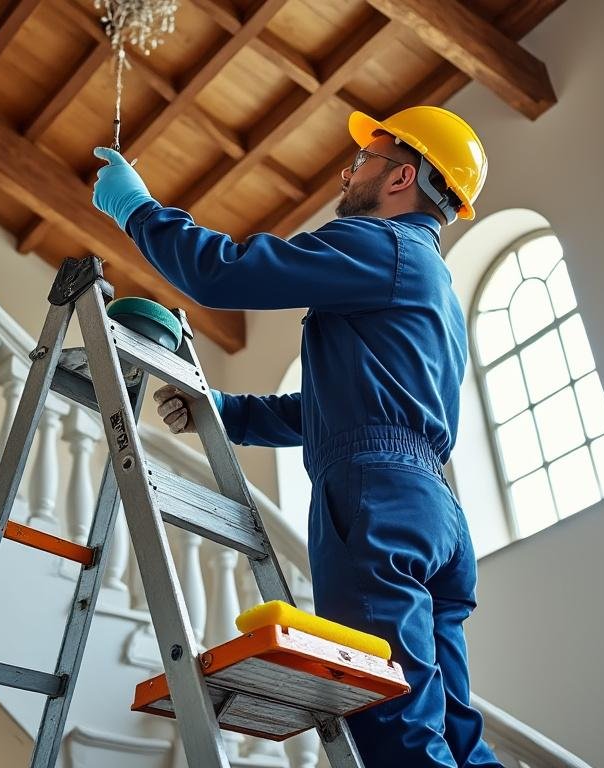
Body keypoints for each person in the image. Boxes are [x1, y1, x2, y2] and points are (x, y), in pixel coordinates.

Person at [90, 106, 498, 768]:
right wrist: (228, 411)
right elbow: (342, 407)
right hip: (435, 513)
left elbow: (221, 273)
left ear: (403, 177)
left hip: (378, 501)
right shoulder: (433, 284)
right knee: (452, 724)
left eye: (366, 159)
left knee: (394, 728)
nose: (349, 171)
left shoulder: (380, 245)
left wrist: (136, 208)